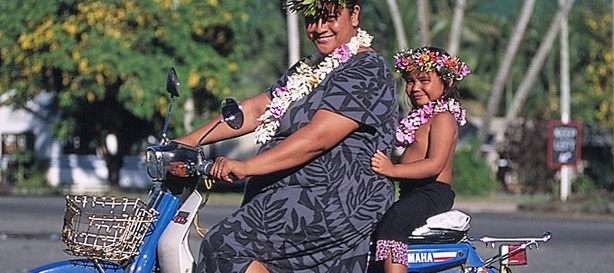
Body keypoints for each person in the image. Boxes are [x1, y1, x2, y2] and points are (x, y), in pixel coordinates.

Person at [172, 0, 398, 272]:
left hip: (338, 198)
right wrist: (186, 141)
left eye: (329, 18)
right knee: (226, 245)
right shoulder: (310, 68)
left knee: (224, 245)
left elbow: (318, 139)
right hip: (291, 196)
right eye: (311, 21)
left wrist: (246, 167)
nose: (319, 28)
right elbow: (258, 108)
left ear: (354, 15)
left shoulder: (366, 69)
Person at [370, 47, 469, 273]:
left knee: (392, 227)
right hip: (414, 193)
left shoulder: (443, 118)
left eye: (424, 80)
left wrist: (392, 170)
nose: (415, 88)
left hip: (432, 192)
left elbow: (434, 164)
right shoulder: (422, 118)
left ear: (448, 81)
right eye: (409, 81)